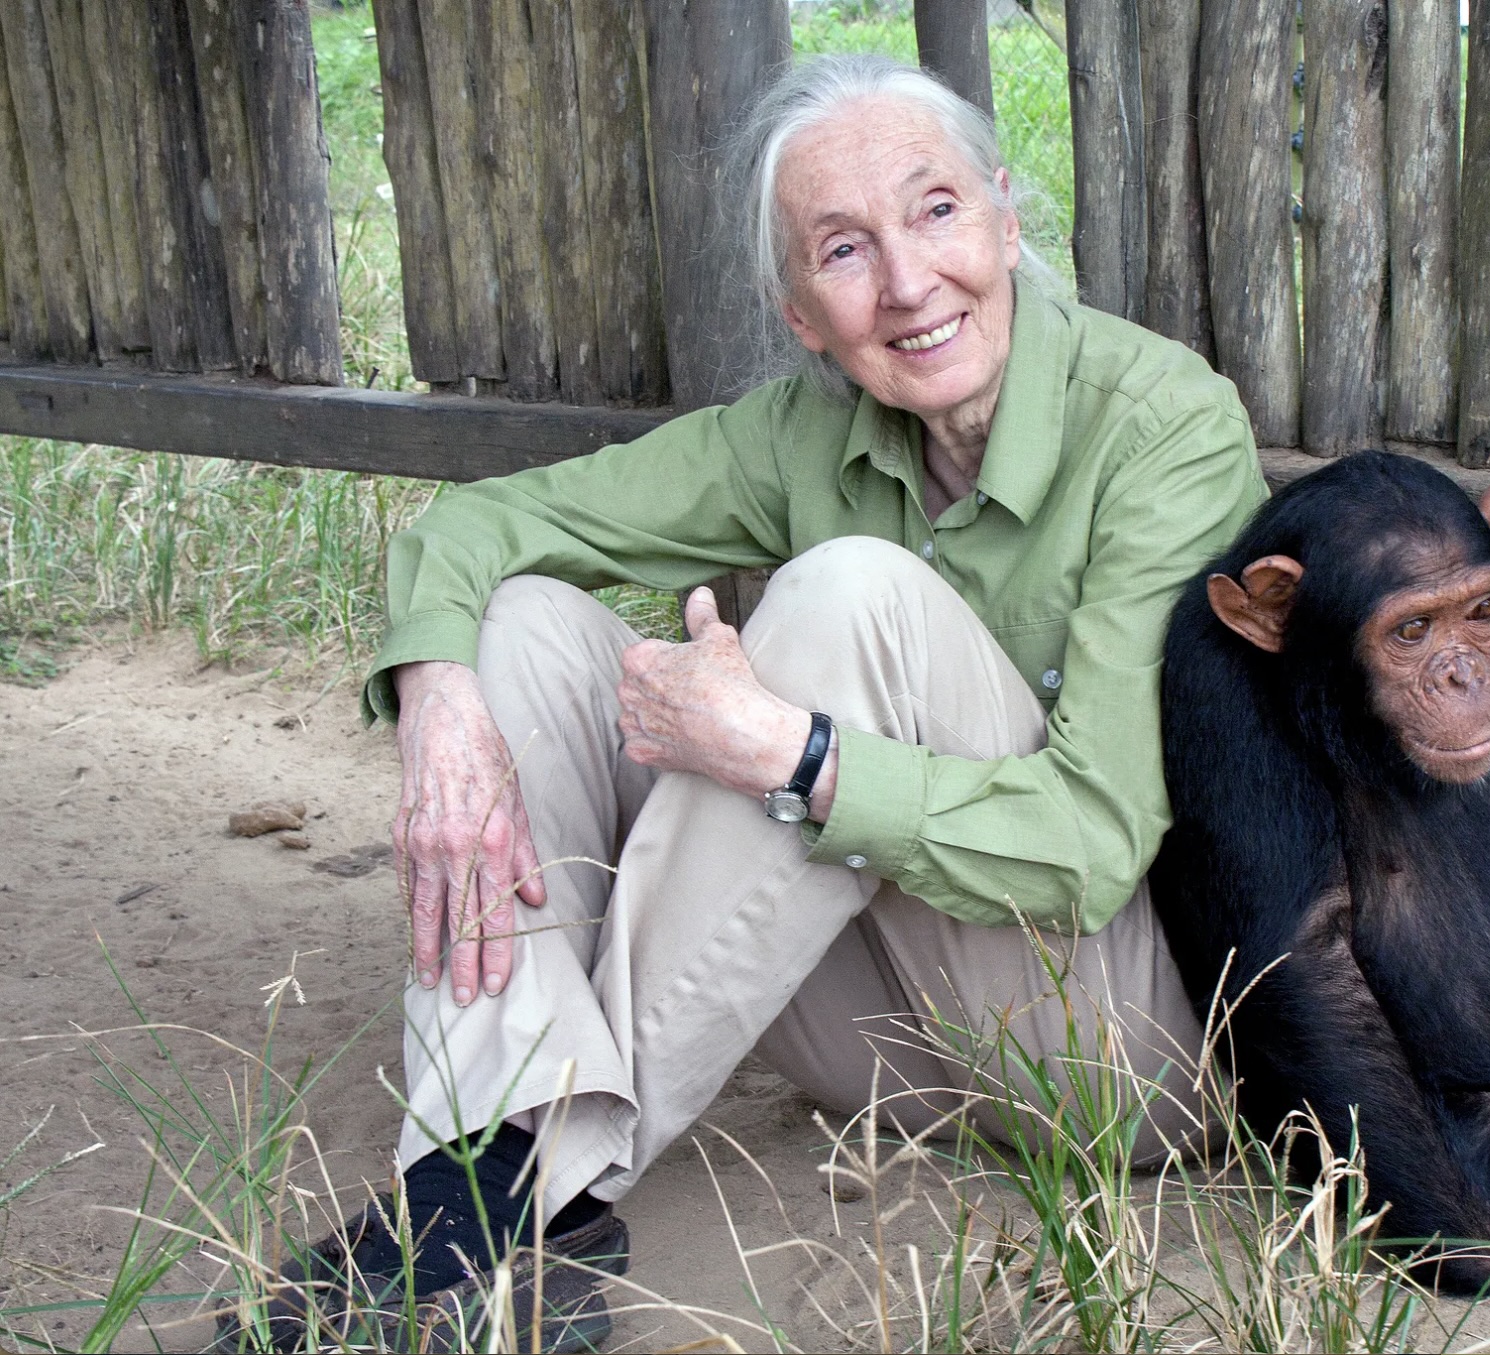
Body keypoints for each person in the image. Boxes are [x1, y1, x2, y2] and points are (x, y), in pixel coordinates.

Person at [232, 52, 1267, 1352]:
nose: (904, 282)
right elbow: (496, 522)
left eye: (935, 211)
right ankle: (492, 1163)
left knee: (847, 596)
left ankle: (508, 1192)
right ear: (797, 314)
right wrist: (437, 693)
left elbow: (1088, 845)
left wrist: (790, 753)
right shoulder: (797, 435)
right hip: (879, 1054)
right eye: (843, 249)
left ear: (1006, 215)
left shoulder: (1163, 425)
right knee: (522, 626)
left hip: (1115, 1054)